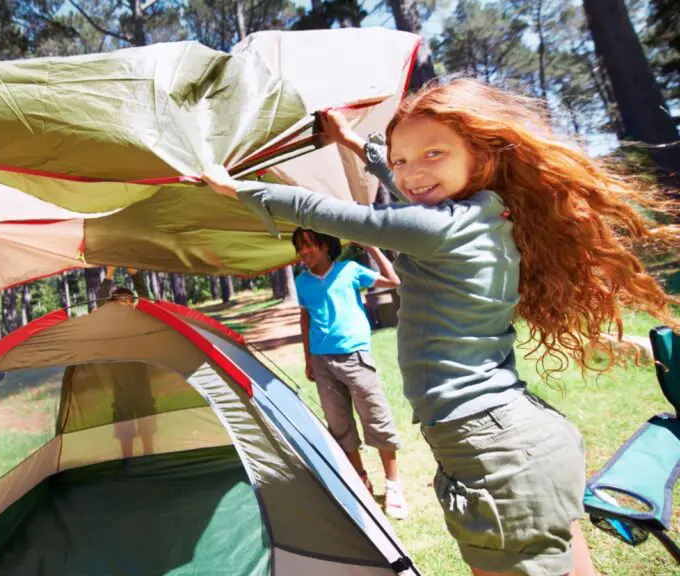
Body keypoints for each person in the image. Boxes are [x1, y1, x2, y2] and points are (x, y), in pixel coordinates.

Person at [201, 77, 680, 576]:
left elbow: (329, 213)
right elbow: (418, 188)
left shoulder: (439, 227)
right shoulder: (487, 213)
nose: (412, 173)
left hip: (490, 448)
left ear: (484, 156)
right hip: (520, 436)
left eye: (435, 153)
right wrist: (353, 141)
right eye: (402, 158)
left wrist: (237, 188)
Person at [293, 228, 408, 518]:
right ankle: (360, 479)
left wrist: (371, 248)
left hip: (356, 355)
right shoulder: (302, 282)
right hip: (322, 361)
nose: (304, 252)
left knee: (375, 417)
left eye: (309, 246)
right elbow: (305, 318)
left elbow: (394, 281)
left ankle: (393, 485)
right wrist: (308, 358)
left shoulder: (350, 270)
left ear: (325, 246)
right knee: (339, 424)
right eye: (299, 248)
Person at [98, 266, 155, 458]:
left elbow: (146, 299)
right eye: (123, 300)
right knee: (123, 415)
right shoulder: (109, 321)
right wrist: (109, 274)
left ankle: (150, 455)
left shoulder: (139, 317)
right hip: (120, 376)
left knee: (146, 410)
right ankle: (127, 459)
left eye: (130, 300)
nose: (128, 303)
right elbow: (100, 302)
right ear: (113, 305)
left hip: (140, 371)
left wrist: (135, 274)